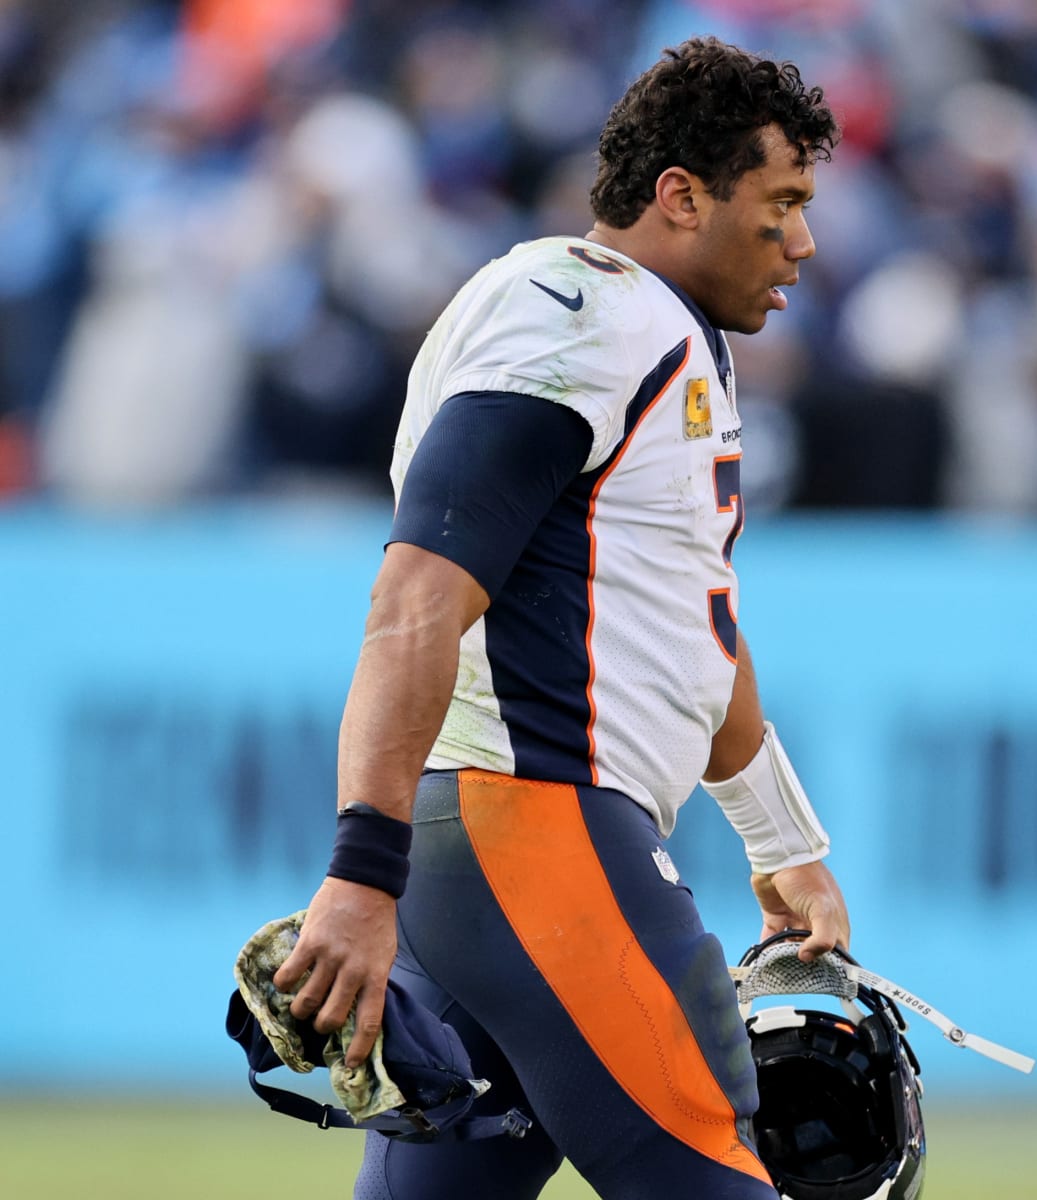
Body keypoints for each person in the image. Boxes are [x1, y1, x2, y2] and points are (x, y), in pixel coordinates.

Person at [269, 38, 850, 1200]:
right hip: (532, 831)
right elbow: (417, 596)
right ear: (681, 196)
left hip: (513, 843)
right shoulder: (577, 314)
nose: (805, 241)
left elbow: (697, 631)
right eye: (779, 203)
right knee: (709, 1172)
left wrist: (783, 842)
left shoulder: (669, 337)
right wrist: (358, 870)